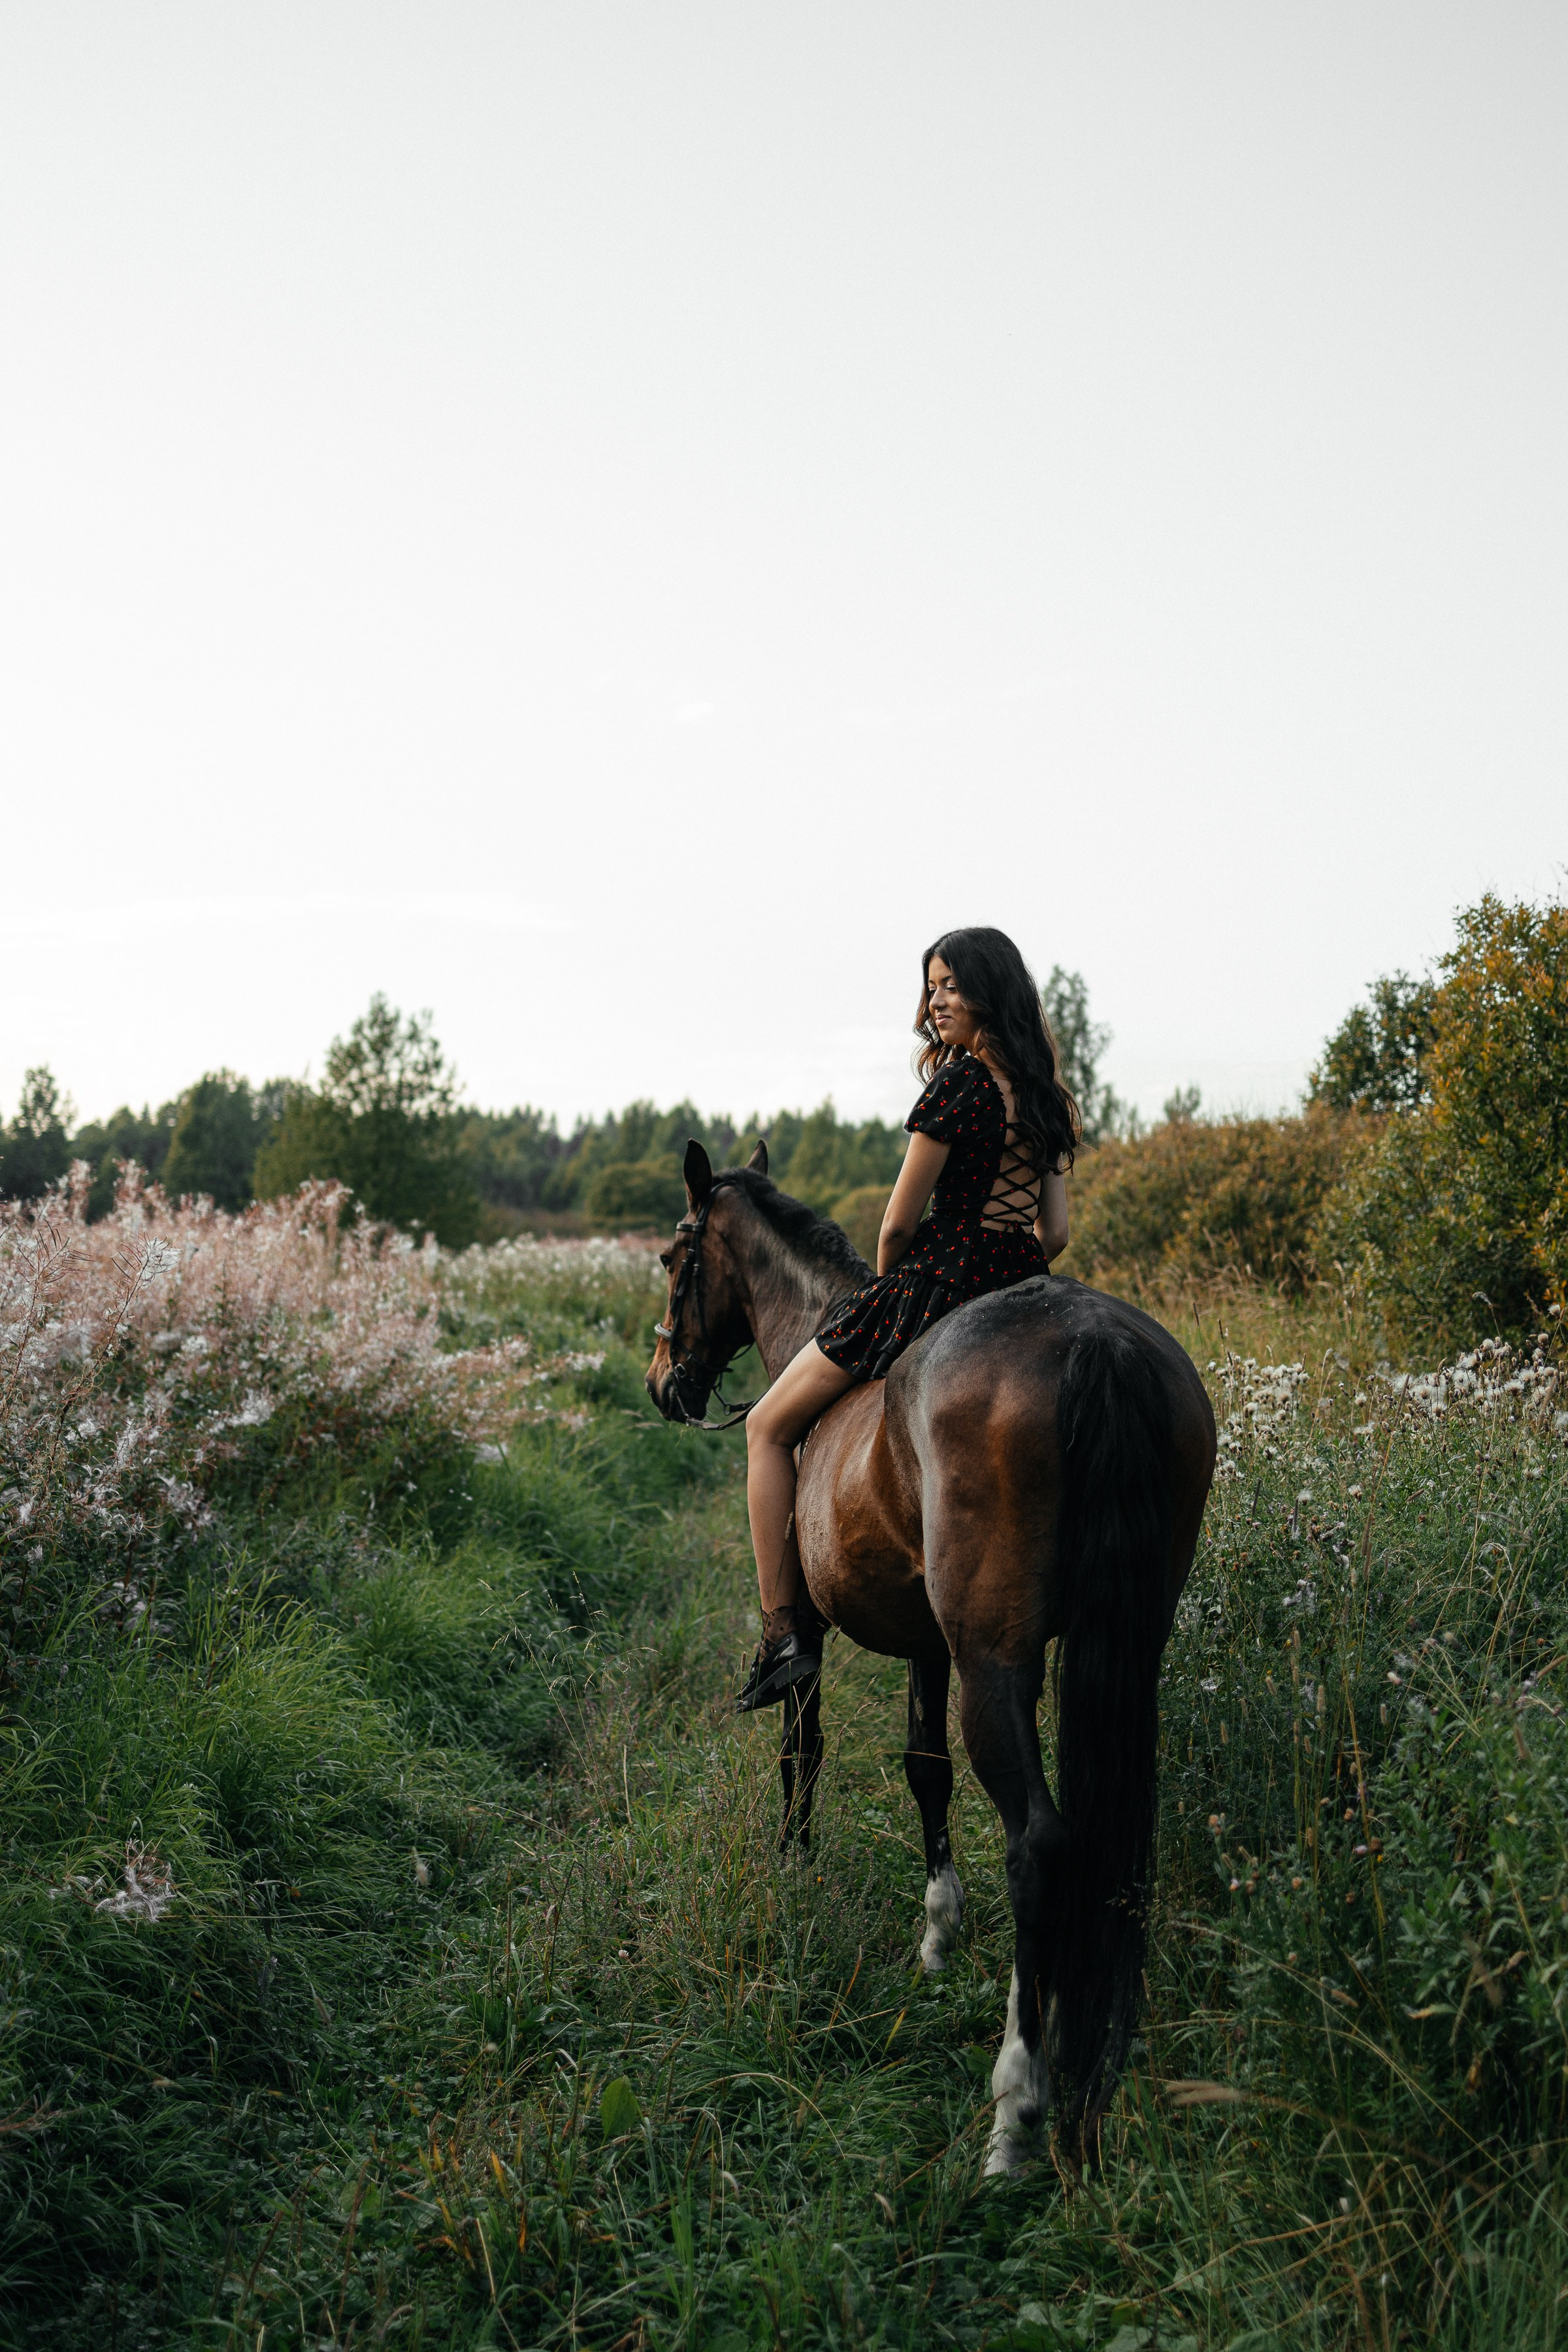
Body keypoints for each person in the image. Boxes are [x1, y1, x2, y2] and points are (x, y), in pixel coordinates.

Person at [736, 926, 1079, 1712]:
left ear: (992, 989)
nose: (937, 1000)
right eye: (932, 987)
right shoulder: (1051, 1100)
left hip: (938, 1284)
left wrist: (896, 1299)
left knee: (767, 1427)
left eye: (952, 984)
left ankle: (783, 1632)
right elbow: (1054, 1235)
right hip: (1022, 1285)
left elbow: (896, 1226)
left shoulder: (955, 1089)